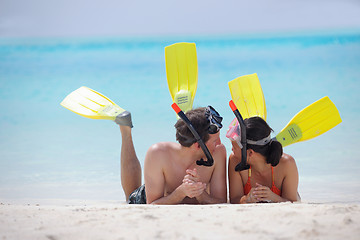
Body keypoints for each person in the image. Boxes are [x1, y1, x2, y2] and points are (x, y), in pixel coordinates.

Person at [116, 106, 227, 204]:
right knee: (130, 197)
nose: (220, 143)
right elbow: (153, 204)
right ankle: (125, 131)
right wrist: (180, 192)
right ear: (198, 145)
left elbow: (221, 201)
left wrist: (200, 194)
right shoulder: (158, 153)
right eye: (215, 141)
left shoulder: (218, 152)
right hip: (153, 195)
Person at [227, 116, 300, 203]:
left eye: (234, 147)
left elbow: (293, 202)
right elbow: (234, 199)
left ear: (250, 153)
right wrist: (246, 199)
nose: (232, 150)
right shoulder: (235, 161)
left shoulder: (287, 164)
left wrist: (274, 198)